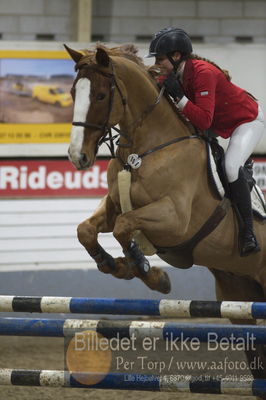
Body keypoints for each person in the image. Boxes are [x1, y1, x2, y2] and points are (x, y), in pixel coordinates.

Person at [147, 27, 265, 257]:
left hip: (246, 120)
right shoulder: (173, 74)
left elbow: (202, 120)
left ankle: (248, 233)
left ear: (177, 56)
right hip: (218, 123)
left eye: (161, 59)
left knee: (231, 167)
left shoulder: (203, 73)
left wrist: (179, 97)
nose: (158, 63)